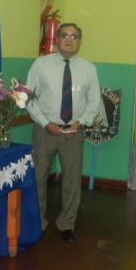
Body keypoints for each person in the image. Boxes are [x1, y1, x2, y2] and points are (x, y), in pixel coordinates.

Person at [26, 22, 101, 243]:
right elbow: (29, 99)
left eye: (74, 36)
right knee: (38, 177)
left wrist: (82, 122)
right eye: (65, 36)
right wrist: (44, 122)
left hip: (74, 132)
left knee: (72, 180)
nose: (69, 40)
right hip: (45, 130)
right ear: (57, 40)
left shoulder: (89, 68)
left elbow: (94, 101)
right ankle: (37, 222)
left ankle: (67, 224)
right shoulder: (41, 65)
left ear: (80, 41)